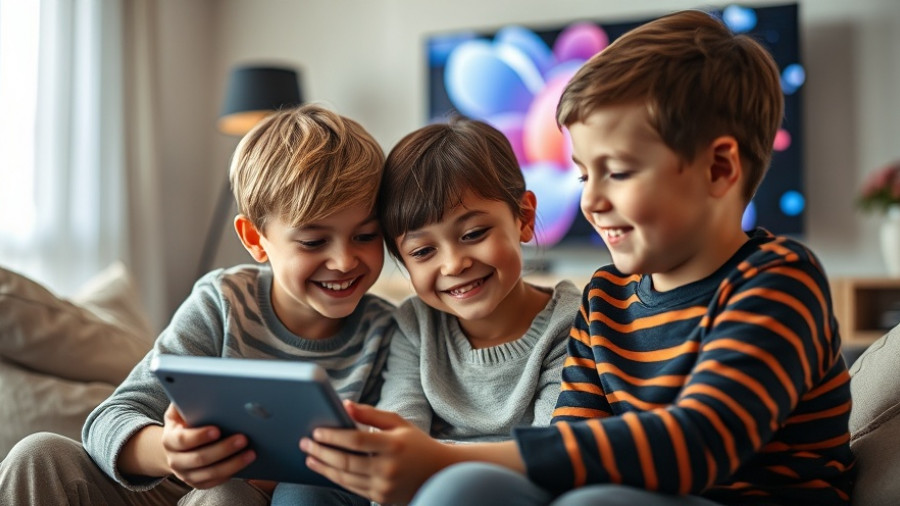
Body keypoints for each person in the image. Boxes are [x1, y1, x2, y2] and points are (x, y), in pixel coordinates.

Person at [298, 10, 856, 506]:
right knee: (466, 490)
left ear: (718, 169)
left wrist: (443, 457)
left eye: (616, 171)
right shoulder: (606, 298)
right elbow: (566, 444)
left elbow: (695, 445)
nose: (589, 200)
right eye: (583, 173)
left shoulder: (778, 280)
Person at [0, 104, 395, 505]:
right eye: (313, 242)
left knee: (227, 494)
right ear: (255, 240)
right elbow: (109, 419)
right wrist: (170, 451)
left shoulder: (390, 333)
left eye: (366, 236)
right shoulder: (223, 302)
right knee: (38, 455)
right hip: (168, 486)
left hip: (243, 498)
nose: (345, 261)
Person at [271, 117, 582, 505]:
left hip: (510, 487)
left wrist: (435, 461)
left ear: (524, 217)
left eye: (473, 235)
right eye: (423, 252)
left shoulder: (573, 324)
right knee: (303, 490)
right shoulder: (416, 324)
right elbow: (401, 417)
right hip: (417, 484)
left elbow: (554, 452)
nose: (453, 265)